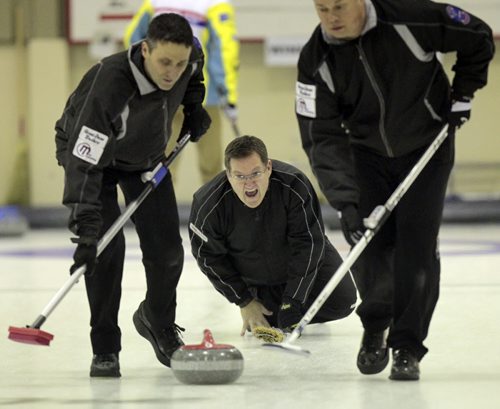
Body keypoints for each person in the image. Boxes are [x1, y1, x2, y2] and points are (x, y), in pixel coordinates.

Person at [296, 0, 494, 380]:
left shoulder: (410, 17)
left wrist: (464, 92)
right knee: (370, 245)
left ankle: (407, 346)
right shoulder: (315, 60)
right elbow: (319, 137)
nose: (331, 18)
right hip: (366, 156)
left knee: (415, 248)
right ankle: (375, 327)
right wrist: (347, 203)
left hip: (427, 146)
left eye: (339, 6)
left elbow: (478, 36)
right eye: (322, 8)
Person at [54, 13, 211, 378]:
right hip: (92, 155)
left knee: (167, 250)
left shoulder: (190, 58)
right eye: (163, 63)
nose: (172, 71)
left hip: (145, 157)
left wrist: (194, 106)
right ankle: (105, 346)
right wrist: (86, 229)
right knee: (107, 252)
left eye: (179, 63)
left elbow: (193, 77)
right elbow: (84, 161)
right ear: (145, 50)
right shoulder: (110, 84)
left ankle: (157, 321)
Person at [189, 135, 357, 339]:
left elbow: (308, 243)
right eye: (240, 176)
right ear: (228, 175)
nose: (249, 183)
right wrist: (244, 301)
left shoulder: (294, 185)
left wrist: (293, 300)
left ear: (268, 167)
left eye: (255, 173)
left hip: (297, 261)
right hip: (256, 274)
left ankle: (287, 307)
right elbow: (208, 258)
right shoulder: (208, 205)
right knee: (266, 318)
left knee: (343, 301)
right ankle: (269, 307)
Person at [124, 0, 240, 184]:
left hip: (163, 94)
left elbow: (133, 38)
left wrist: (145, 81)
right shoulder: (217, 4)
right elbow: (225, 52)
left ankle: (157, 212)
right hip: (202, 96)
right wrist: (229, 97)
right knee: (210, 165)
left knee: (160, 163)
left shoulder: (154, 2)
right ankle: (213, 210)